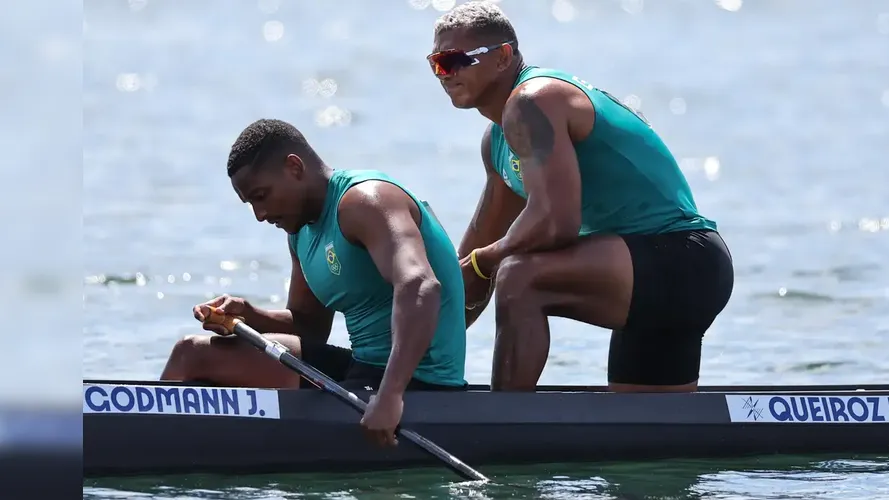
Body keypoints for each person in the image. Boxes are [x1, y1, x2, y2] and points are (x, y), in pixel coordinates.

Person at [427, 2, 735, 393]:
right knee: (645, 439)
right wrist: (405, 363)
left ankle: (506, 423)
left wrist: (484, 262)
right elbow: (467, 272)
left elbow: (556, 223)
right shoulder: (497, 142)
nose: (445, 74)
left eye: (456, 60)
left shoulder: (533, 101)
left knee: (519, 277)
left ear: (503, 56)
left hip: (681, 259)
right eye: (437, 63)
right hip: (642, 275)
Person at [160, 118, 468, 446]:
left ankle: (158, 450)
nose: (260, 215)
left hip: (419, 382)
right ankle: (161, 441)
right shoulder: (300, 231)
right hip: (362, 369)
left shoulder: (365, 202)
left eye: (262, 196)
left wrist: (390, 396)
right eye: (251, 204)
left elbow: (421, 285)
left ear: (294, 167)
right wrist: (248, 315)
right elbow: (308, 326)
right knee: (190, 354)